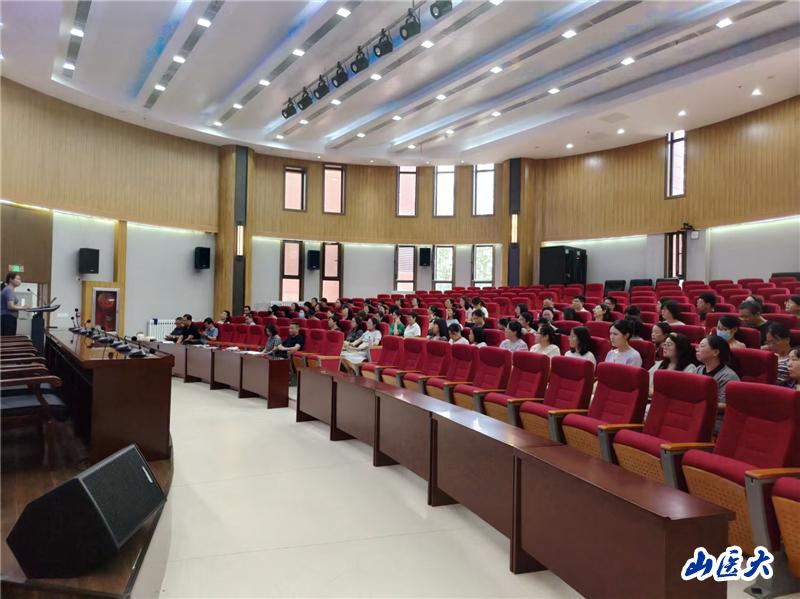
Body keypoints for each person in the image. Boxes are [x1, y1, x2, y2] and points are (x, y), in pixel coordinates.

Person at [695, 335, 740, 413]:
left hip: (715, 416)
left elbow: (725, 405)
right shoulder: (698, 369)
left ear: (715, 352)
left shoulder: (729, 376)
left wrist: (699, 404)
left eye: (702, 346)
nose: (697, 349)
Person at [765, 323, 793, 388]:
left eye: (774, 342)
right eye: (768, 342)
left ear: (787, 340)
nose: (771, 346)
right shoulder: (768, 355)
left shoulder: (795, 358)